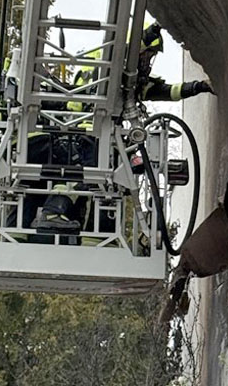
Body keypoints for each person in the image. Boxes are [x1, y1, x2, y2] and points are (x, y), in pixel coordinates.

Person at [36, 21, 215, 234]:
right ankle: (52, 212)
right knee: (87, 177)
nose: (148, 61)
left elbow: (166, 91)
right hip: (87, 132)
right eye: (147, 54)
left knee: (102, 185)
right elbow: (124, 54)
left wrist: (198, 87)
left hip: (100, 135)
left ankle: (98, 234)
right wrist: (154, 30)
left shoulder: (125, 77)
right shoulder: (107, 63)